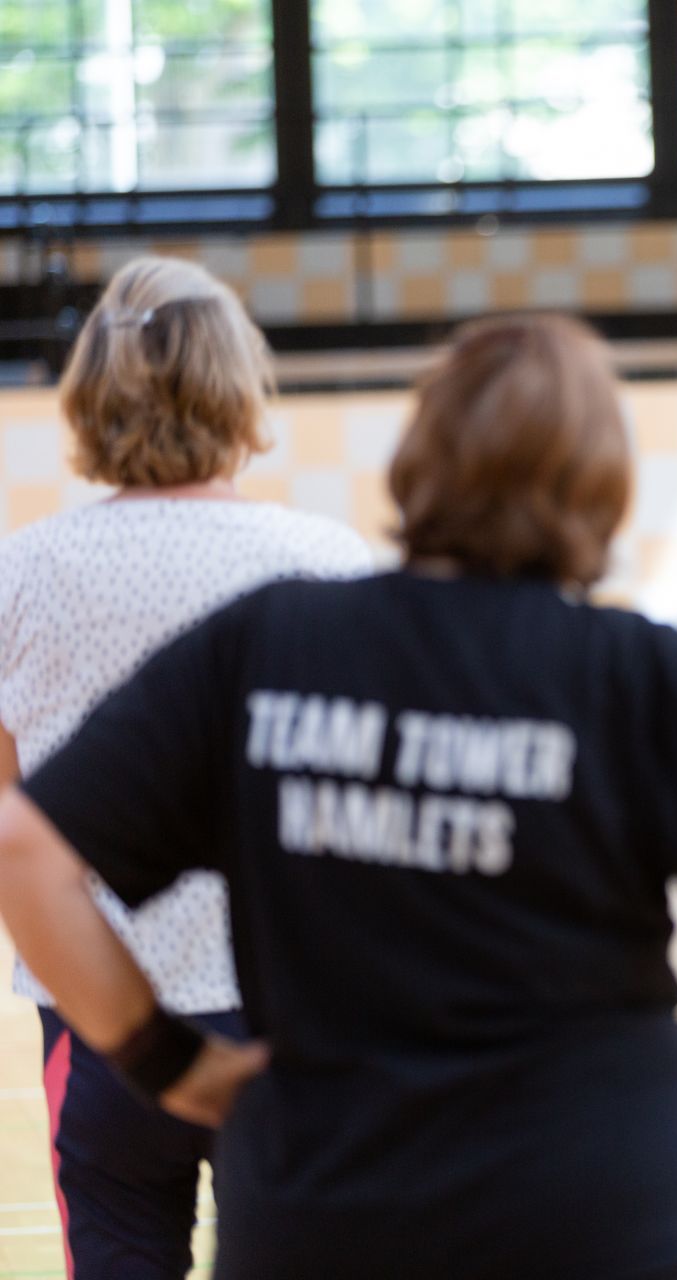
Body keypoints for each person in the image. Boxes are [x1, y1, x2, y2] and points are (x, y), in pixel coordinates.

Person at [0, 313, 677, 1280]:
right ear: (601, 484)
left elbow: (24, 849)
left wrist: (165, 1062)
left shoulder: (265, 643)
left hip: (329, 1204)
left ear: (419, 455)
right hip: (610, 1204)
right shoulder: (636, 673)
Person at [0, 256, 372, 1280]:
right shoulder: (332, 563)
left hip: (98, 1020)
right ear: (242, 383)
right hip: (293, 1020)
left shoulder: (19, 573)